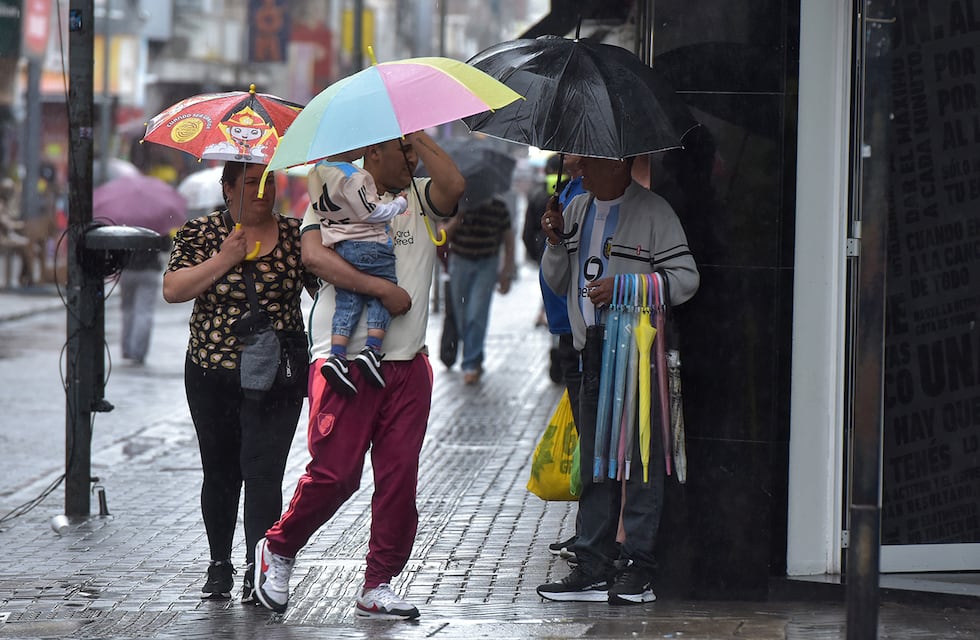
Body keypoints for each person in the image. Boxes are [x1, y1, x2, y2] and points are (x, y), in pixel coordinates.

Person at [253, 130, 464, 620]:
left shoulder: (420, 195)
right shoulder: (337, 192)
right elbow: (313, 255)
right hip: (344, 359)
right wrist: (378, 289)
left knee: (398, 480)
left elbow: (454, 185)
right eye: (402, 150)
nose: (412, 159)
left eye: (413, 151)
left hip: (408, 363)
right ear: (374, 151)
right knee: (336, 473)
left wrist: (418, 134)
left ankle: (378, 583)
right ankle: (280, 547)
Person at [538, 155, 699, 605]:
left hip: (638, 355)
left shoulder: (654, 212)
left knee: (642, 462)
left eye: (592, 161)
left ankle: (638, 568)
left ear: (620, 163)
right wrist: (554, 241)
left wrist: (624, 287)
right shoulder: (576, 210)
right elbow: (557, 281)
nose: (582, 169)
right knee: (594, 464)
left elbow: (686, 280)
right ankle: (592, 564)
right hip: (590, 351)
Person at [163, 161, 316, 602]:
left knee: (265, 473)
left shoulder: (295, 233)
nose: (263, 191)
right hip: (213, 373)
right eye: (251, 182)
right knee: (221, 471)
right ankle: (219, 563)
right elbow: (174, 289)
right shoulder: (202, 232)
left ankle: (257, 568)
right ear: (228, 189)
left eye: (270, 182)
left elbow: (322, 290)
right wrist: (226, 257)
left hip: (277, 376)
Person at [307, 147, 409, 395]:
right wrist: (399, 204)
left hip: (341, 246)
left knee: (348, 301)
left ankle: (337, 355)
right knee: (381, 294)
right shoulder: (355, 176)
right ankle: (372, 351)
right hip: (370, 244)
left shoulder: (316, 172)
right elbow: (372, 213)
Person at [442, 193, 516, 384]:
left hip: (487, 264)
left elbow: (509, 240)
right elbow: (441, 236)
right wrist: (459, 217)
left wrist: (506, 272)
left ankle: (470, 363)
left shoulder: (499, 207)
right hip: (459, 262)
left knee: (476, 313)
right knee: (461, 314)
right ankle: (475, 355)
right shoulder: (456, 203)